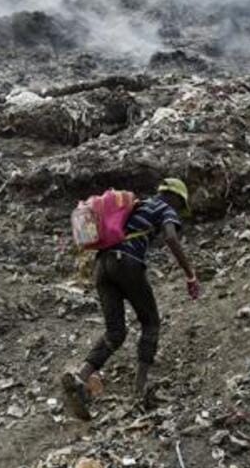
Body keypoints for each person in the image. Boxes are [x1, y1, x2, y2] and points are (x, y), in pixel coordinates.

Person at [61, 178, 199, 419]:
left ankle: (80, 379)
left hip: (102, 266)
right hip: (127, 263)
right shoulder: (165, 208)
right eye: (179, 206)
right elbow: (170, 237)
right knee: (151, 323)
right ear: (175, 198)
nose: (177, 211)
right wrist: (190, 275)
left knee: (115, 332)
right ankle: (139, 389)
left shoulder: (136, 205)